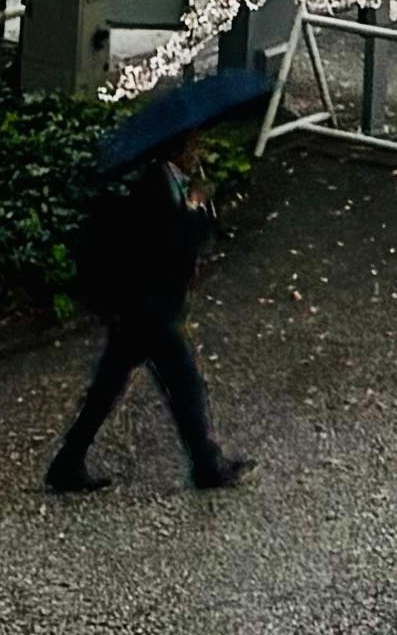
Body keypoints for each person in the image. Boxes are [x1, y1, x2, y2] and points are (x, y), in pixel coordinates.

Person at [46, 132, 251, 494]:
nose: (199, 153)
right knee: (184, 385)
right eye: (194, 147)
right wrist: (194, 209)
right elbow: (169, 244)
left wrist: (199, 210)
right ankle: (206, 466)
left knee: (109, 388)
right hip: (149, 311)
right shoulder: (154, 188)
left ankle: (68, 462)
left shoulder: (167, 183)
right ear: (179, 150)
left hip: (142, 311)